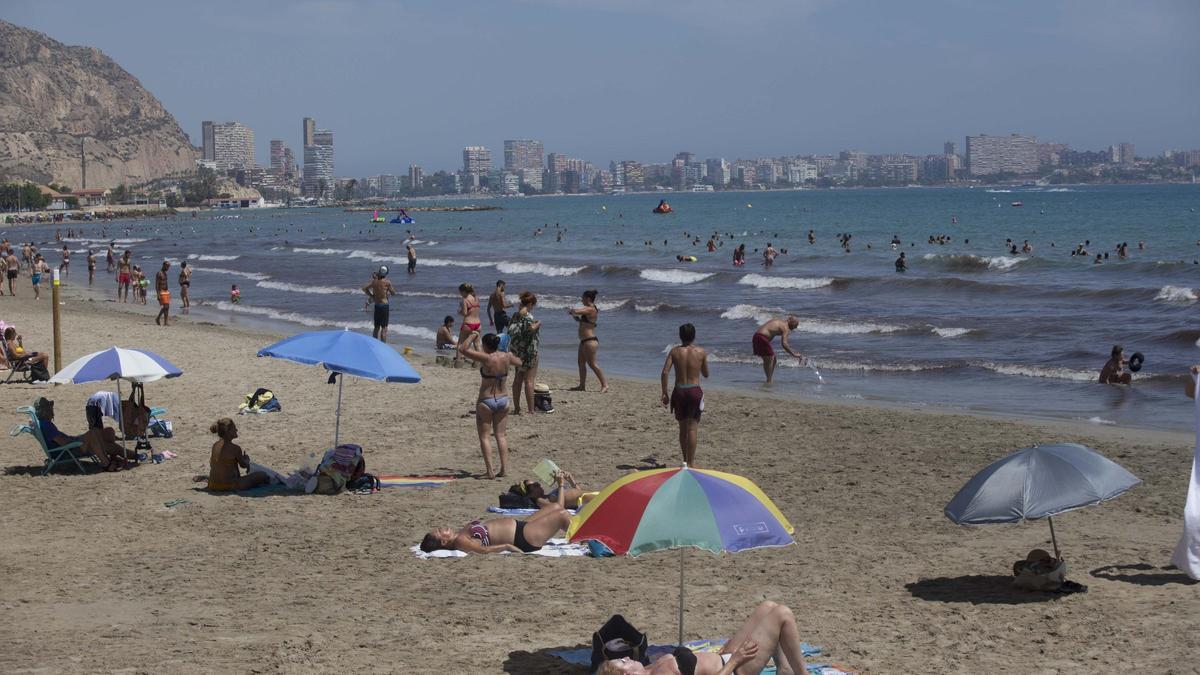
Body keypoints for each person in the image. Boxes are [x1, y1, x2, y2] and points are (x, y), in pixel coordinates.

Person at [598, 600, 808, 675]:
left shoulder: (648, 667)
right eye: (623, 662)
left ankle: (785, 670)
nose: (627, 658)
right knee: (783, 614)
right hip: (737, 668)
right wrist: (735, 660)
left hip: (725, 658)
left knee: (768, 607)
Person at [458, 332, 522, 478]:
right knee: (501, 436)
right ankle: (504, 470)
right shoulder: (506, 357)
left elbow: (463, 348)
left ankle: (490, 471)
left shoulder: (486, 358)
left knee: (485, 437)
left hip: (486, 401)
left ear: (486, 346)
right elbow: (520, 362)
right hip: (503, 400)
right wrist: (511, 350)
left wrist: (473, 335)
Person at [419, 499, 573, 555]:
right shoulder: (460, 541)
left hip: (521, 527)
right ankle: (586, 539)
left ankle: (583, 534)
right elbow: (482, 550)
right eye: (440, 531)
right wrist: (507, 546)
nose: (443, 527)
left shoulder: (460, 535)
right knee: (562, 515)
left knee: (555, 506)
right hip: (522, 538)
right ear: (444, 542)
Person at [34, 398, 131, 471]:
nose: (52, 409)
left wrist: (78, 438)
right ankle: (107, 464)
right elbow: (62, 442)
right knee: (93, 433)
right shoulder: (46, 425)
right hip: (67, 451)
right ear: (45, 411)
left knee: (108, 432)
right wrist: (77, 440)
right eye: (49, 407)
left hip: (70, 447)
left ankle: (126, 456)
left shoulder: (45, 423)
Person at [661, 323, 708, 466]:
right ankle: (691, 463)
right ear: (694, 335)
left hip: (680, 390)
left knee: (683, 429)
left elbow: (665, 372)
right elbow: (706, 374)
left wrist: (665, 393)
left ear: (680, 336)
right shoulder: (701, 352)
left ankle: (685, 460)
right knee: (692, 428)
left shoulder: (674, 352)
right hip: (694, 390)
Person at [206, 418, 270, 491]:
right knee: (262, 475)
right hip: (229, 486)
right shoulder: (235, 449)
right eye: (234, 428)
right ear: (228, 431)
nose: (236, 430)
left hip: (213, 485)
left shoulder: (215, 445)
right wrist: (246, 459)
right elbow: (243, 465)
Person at [507, 291, 541, 415]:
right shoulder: (528, 316)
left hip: (518, 352)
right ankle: (531, 410)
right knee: (529, 381)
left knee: (518, 380)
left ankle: (517, 408)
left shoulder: (515, 315)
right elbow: (531, 329)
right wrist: (538, 323)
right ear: (531, 304)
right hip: (530, 351)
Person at [568, 289, 609, 392]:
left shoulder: (591, 309)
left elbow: (577, 311)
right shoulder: (587, 310)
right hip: (584, 341)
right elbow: (580, 320)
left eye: (582, 298)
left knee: (592, 364)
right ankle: (582, 385)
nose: (581, 300)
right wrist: (574, 316)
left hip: (590, 341)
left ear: (588, 299)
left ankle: (605, 385)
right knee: (581, 363)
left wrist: (573, 310)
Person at [752, 316, 806, 384]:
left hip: (756, 336)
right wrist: (794, 354)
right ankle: (769, 381)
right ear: (791, 321)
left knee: (772, 359)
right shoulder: (786, 328)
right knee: (770, 358)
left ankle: (769, 379)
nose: (796, 327)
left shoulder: (779, 321)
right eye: (796, 324)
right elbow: (784, 344)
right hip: (761, 338)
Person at [362, 265, 396, 342]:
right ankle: (383, 346)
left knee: (376, 327)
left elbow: (364, 288)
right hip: (384, 305)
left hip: (377, 305)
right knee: (384, 328)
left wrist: (372, 296)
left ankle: (375, 344)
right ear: (386, 273)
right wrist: (389, 291)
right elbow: (393, 293)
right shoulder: (387, 282)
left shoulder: (374, 282)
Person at [457, 283, 481, 353]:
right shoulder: (476, 299)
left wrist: (459, 311)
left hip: (468, 324)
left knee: (460, 344)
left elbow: (465, 313)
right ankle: (479, 362)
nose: (461, 294)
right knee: (477, 345)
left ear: (464, 291)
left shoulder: (465, 300)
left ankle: (458, 362)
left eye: (461, 292)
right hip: (478, 324)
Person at [155, 260, 171, 326]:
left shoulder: (165, 273)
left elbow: (166, 283)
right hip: (161, 291)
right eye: (167, 266)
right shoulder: (159, 273)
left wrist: (168, 291)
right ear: (164, 265)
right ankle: (164, 321)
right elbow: (156, 284)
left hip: (166, 291)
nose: (168, 268)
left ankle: (160, 319)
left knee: (167, 307)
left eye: (169, 267)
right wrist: (158, 294)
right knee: (165, 306)